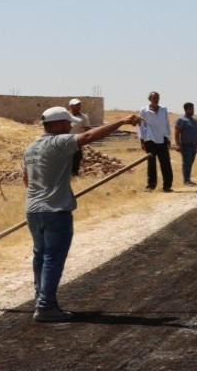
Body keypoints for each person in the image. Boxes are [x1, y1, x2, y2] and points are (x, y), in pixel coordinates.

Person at [23, 106, 140, 322]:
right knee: (52, 258)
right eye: (67, 123)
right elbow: (88, 136)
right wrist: (122, 121)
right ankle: (46, 307)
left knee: (40, 256)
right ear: (57, 124)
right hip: (56, 211)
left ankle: (42, 300)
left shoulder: (30, 149)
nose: (70, 127)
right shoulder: (59, 142)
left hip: (33, 210)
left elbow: (26, 181)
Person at [137, 91, 174, 192]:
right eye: (154, 98)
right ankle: (151, 186)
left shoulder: (163, 109)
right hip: (150, 138)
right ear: (150, 99)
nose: (156, 99)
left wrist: (169, 138)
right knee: (151, 163)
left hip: (162, 138)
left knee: (165, 163)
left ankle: (167, 186)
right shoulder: (144, 110)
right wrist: (141, 139)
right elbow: (140, 125)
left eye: (157, 98)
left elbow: (166, 123)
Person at [174, 102, 197, 186]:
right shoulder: (181, 120)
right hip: (185, 145)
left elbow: (196, 132)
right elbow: (177, 132)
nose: (192, 111)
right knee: (186, 162)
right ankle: (186, 180)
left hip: (193, 144)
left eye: (193, 109)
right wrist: (178, 144)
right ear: (185, 109)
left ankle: (188, 179)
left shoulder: (194, 120)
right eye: (190, 109)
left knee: (191, 162)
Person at [67, 98, 91, 176]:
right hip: (65, 140)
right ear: (71, 106)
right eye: (76, 105)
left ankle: (74, 174)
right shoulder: (65, 116)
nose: (78, 106)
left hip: (76, 140)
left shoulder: (84, 117)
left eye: (79, 105)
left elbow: (87, 130)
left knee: (77, 157)